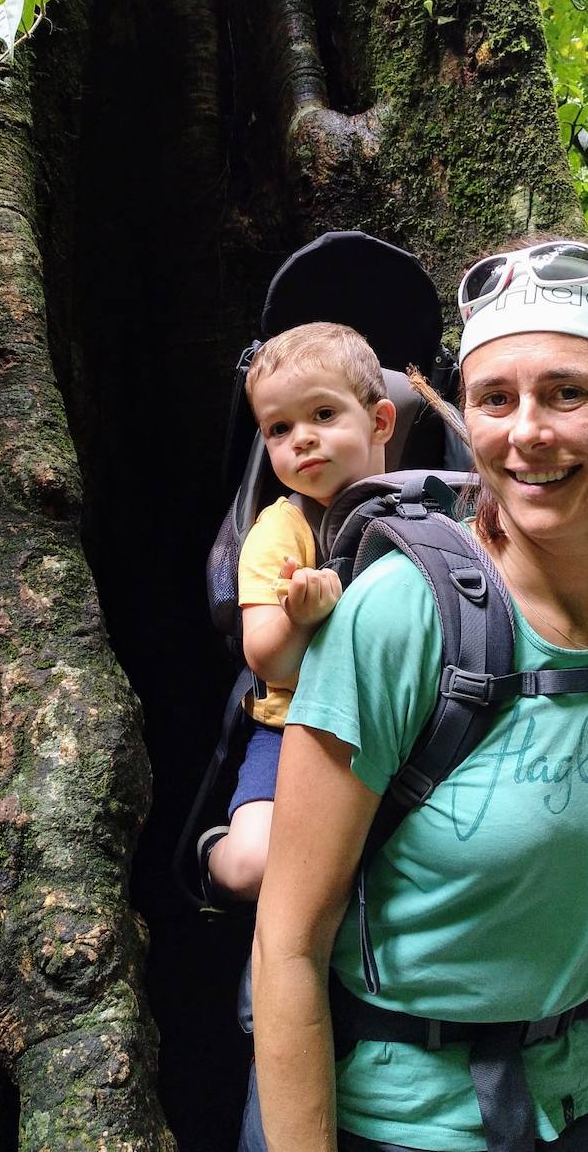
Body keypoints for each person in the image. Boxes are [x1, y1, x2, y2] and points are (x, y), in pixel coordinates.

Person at [250, 238, 588, 1152]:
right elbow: (289, 939)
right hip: (389, 1125)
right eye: (494, 399)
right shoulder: (399, 618)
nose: (524, 431)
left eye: (567, 393)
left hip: (581, 1112)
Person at [201, 322, 396, 903]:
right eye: (280, 429)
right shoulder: (282, 531)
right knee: (254, 868)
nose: (301, 440)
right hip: (296, 729)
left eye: (323, 415)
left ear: (380, 421)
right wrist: (299, 619)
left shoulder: (430, 513)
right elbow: (263, 654)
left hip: (402, 729)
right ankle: (214, 848)